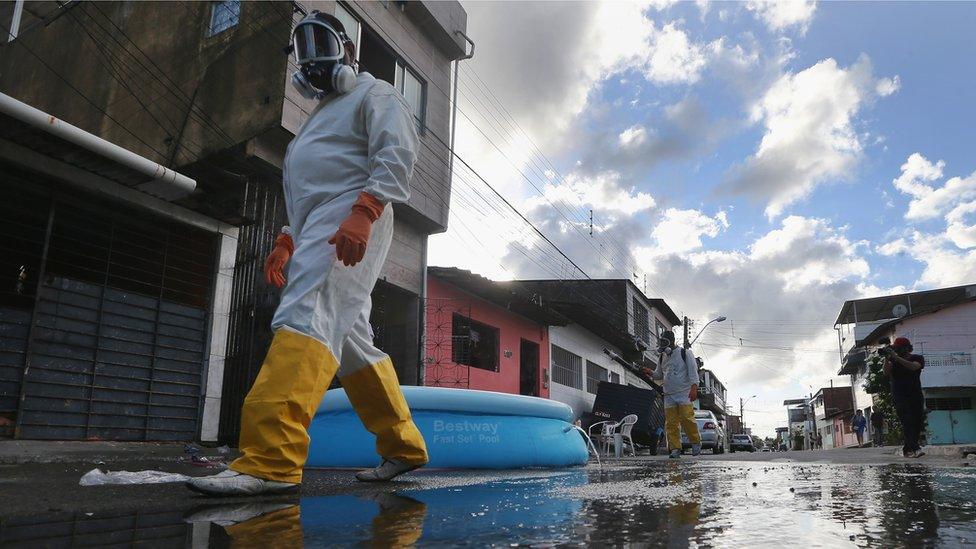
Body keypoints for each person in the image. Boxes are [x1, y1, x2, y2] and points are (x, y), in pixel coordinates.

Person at [187, 11, 427, 496]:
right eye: (303, 46)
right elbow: (307, 191)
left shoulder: (374, 93)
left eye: (322, 41)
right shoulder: (320, 118)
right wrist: (286, 238)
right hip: (323, 221)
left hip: (352, 216)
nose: (313, 56)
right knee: (352, 343)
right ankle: (402, 447)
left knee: (306, 314)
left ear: (348, 51)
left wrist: (366, 208)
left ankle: (271, 460)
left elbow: (397, 151)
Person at [651, 330, 701, 459]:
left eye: (664, 342)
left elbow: (693, 372)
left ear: (671, 341)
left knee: (687, 418)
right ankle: (675, 449)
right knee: (671, 423)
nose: (662, 344)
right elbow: (659, 374)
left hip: (684, 393)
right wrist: (648, 372)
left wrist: (694, 388)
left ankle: (695, 442)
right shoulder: (662, 356)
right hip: (669, 394)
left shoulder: (685, 353)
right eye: (660, 341)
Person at [883, 337, 926, 458]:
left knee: (916, 423)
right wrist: (887, 358)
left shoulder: (917, 358)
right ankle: (915, 448)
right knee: (907, 422)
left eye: (900, 348)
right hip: (899, 396)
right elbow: (886, 373)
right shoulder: (893, 360)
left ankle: (907, 449)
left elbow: (913, 367)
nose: (898, 350)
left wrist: (896, 358)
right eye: (896, 349)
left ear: (907, 348)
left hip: (915, 395)